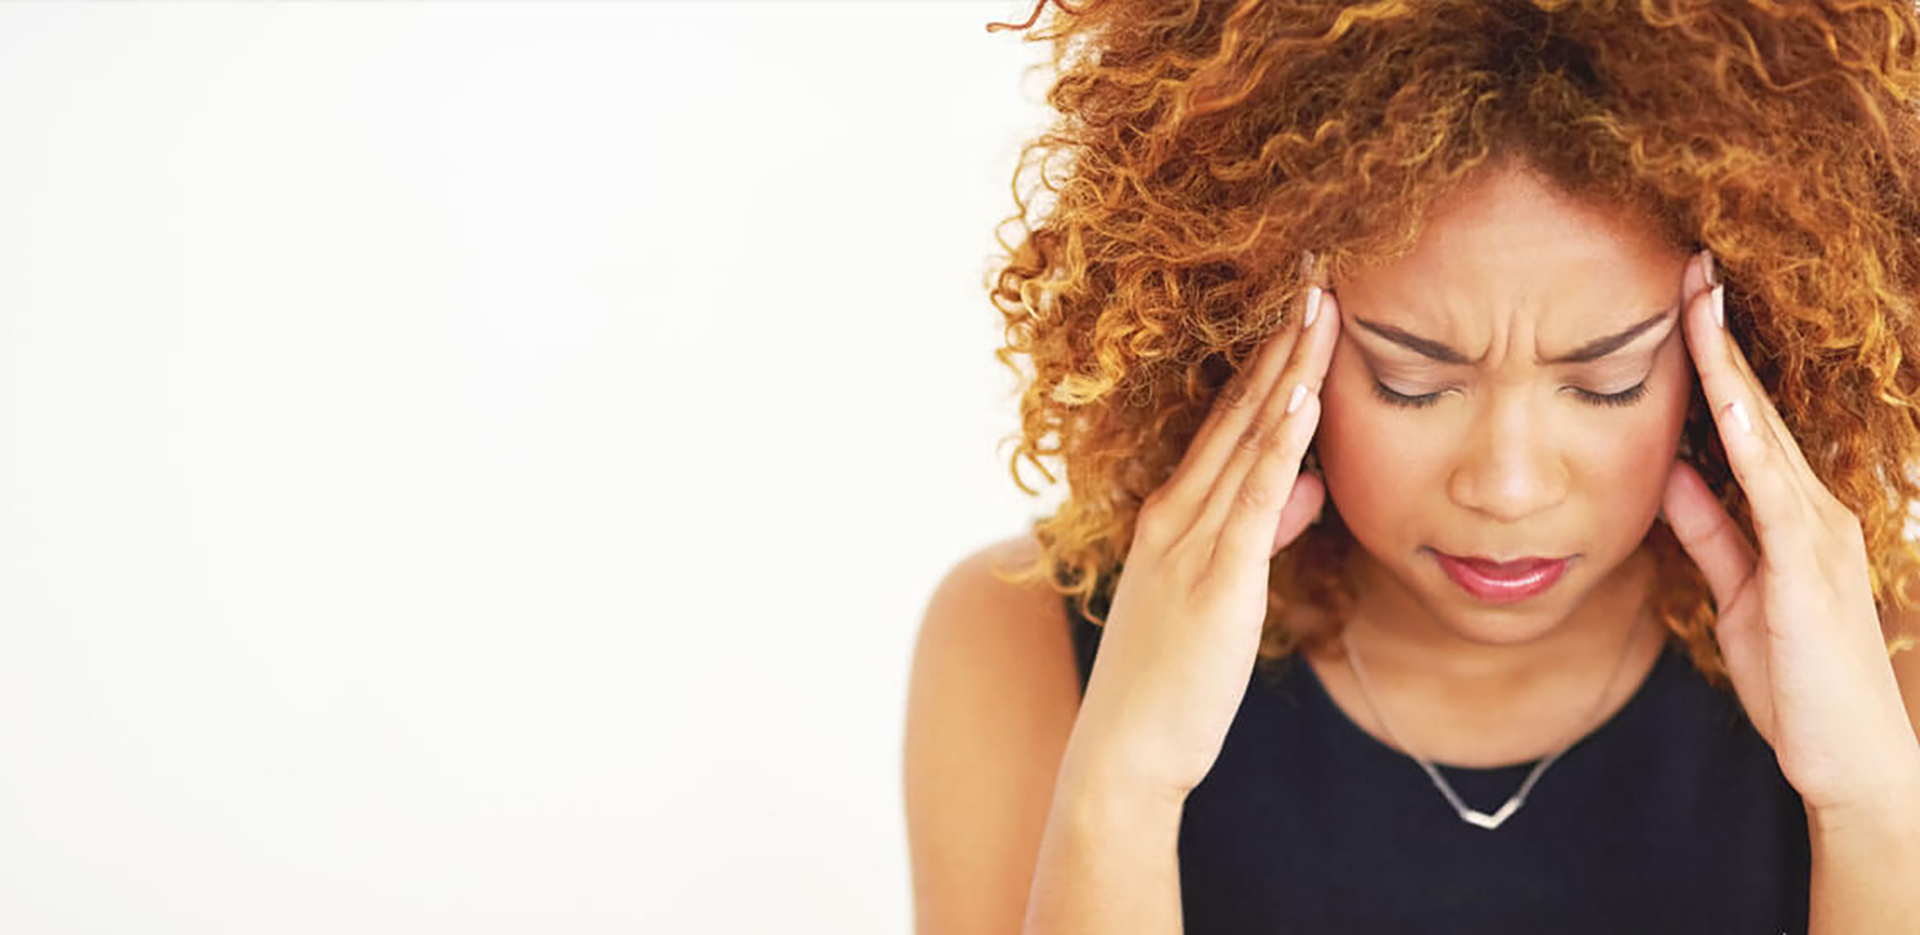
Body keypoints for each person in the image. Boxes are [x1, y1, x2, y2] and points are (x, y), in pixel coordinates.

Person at [903, 1, 1920, 933]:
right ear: (1255, 333)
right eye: (1412, 380)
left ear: (1736, 350)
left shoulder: (1888, 662)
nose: (1509, 486)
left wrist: (1871, 805)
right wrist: (1122, 787)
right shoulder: (1025, 645)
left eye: (1607, 380)